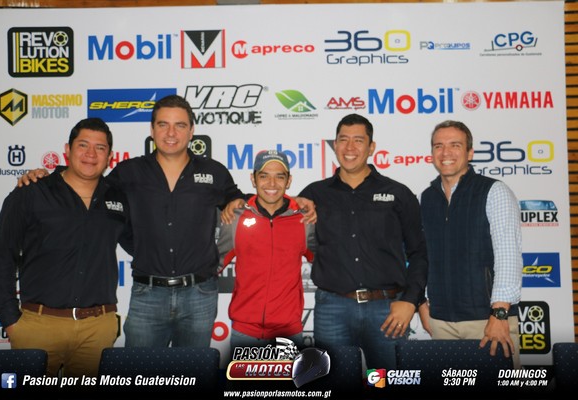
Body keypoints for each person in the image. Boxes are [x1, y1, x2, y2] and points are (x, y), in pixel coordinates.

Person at [18, 94, 316, 349]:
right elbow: (88, 182)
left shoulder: (214, 172)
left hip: (199, 295)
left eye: (180, 125)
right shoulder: (129, 172)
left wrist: (293, 201)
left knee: (194, 377)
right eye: (163, 124)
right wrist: (50, 175)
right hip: (148, 294)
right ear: (152, 129)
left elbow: (250, 200)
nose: (171, 132)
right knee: (141, 377)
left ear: (191, 130)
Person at [0, 117, 131, 377]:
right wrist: (10, 320)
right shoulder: (31, 192)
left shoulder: (119, 197)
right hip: (38, 326)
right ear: (67, 149)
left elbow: (143, 242)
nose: (90, 154)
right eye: (83, 145)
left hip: (97, 329)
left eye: (100, 148)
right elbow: (1, 256)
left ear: (110, 156)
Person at [298, 113, 428, 370]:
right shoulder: (314, 194)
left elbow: (419, 252)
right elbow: (274, 210)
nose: (350, 147)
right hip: (332, 308)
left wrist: (411, 300)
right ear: (335, 145)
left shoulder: (398, 193)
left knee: (384, 381)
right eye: (343, 139)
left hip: (387, 309)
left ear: (371, 147)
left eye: (358, 140)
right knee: (333, 380)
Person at [419, 120, 523, 368]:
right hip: (441, 322)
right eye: (439, 146)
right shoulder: (427, 197)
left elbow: (508, 255)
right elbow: (422, 256)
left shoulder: (494, 191)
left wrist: (499, 314)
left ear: (470, 153)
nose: (446, 152)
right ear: (432, 153)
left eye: (455, 145)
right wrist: (422, 302)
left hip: (487, 321)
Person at [217, 150, 315, 352]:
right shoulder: (235, 218)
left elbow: (327, 264)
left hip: (288, 333)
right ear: (253, 179)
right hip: (244, 332)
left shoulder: (304, 220)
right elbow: (212, 265)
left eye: (279, 176)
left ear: (288, 181)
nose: (272, 184)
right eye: (264, 176)